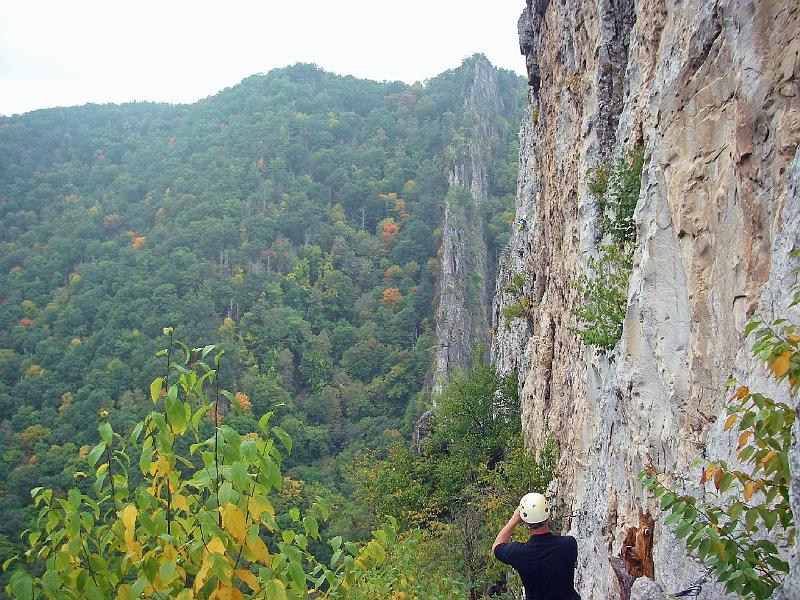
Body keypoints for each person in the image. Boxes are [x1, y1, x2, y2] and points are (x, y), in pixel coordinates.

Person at [492, 493, 580, 600]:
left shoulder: (519, 553)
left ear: (525, 521)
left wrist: (514, 519)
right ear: (547, 514)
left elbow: (496, 547)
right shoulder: (569, 544)